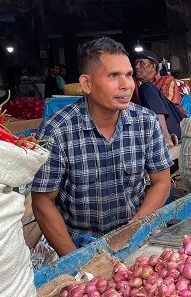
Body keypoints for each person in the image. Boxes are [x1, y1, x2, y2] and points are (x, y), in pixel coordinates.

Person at [30, 38, 173, 257]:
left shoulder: (146, 122)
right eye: (113, 76)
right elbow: (42, 201)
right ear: (86, 84)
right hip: (78, 243)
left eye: (128, 75)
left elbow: (161, 181)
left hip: (135, 236)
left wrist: (132, 230)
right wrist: (74, 260)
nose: (125, 85)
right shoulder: (57, 130)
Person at [132, 50, 186, 147]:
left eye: (141, 63)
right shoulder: (134, 83)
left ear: (153, 66)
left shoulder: (167, 79)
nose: (137, 67)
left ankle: (165, 137)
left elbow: (162, 104)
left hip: (175, 121)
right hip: (150, 126)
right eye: (135, 64)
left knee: (147, 88)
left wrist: (145, 89)